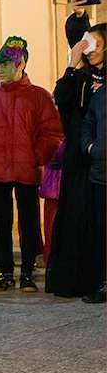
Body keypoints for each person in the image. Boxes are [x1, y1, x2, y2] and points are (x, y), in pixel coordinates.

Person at [0, 36, 63, 293]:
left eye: (6, 64)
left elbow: (51, 132)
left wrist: (37, 157)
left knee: (29, 220)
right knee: (1, 222)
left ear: (21, 64)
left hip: (26, 167)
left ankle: (27, 272)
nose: (1, 69)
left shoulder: (38, 96)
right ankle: (4, 274)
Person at [46, 23, 105, 298]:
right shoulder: (80, 78)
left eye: (95, 44)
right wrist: (72, 63)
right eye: (86, 44)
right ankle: (80, 280)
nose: (90, 50)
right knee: (78, 217)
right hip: (80, 161)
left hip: (99, 160)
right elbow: (62, 98)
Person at [79, 85, 105, 303]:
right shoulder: (100, 95)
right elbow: (88, 124)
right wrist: (90, 147)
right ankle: (104, 283)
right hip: (101, 174)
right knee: (102, 233)